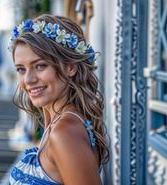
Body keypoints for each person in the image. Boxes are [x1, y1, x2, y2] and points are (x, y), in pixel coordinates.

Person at [9, 14, 109, 185]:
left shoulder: (64, 133)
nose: (28, 80)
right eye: (21, 69)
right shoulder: (59, 124)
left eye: (40, 66)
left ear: (70, 67)